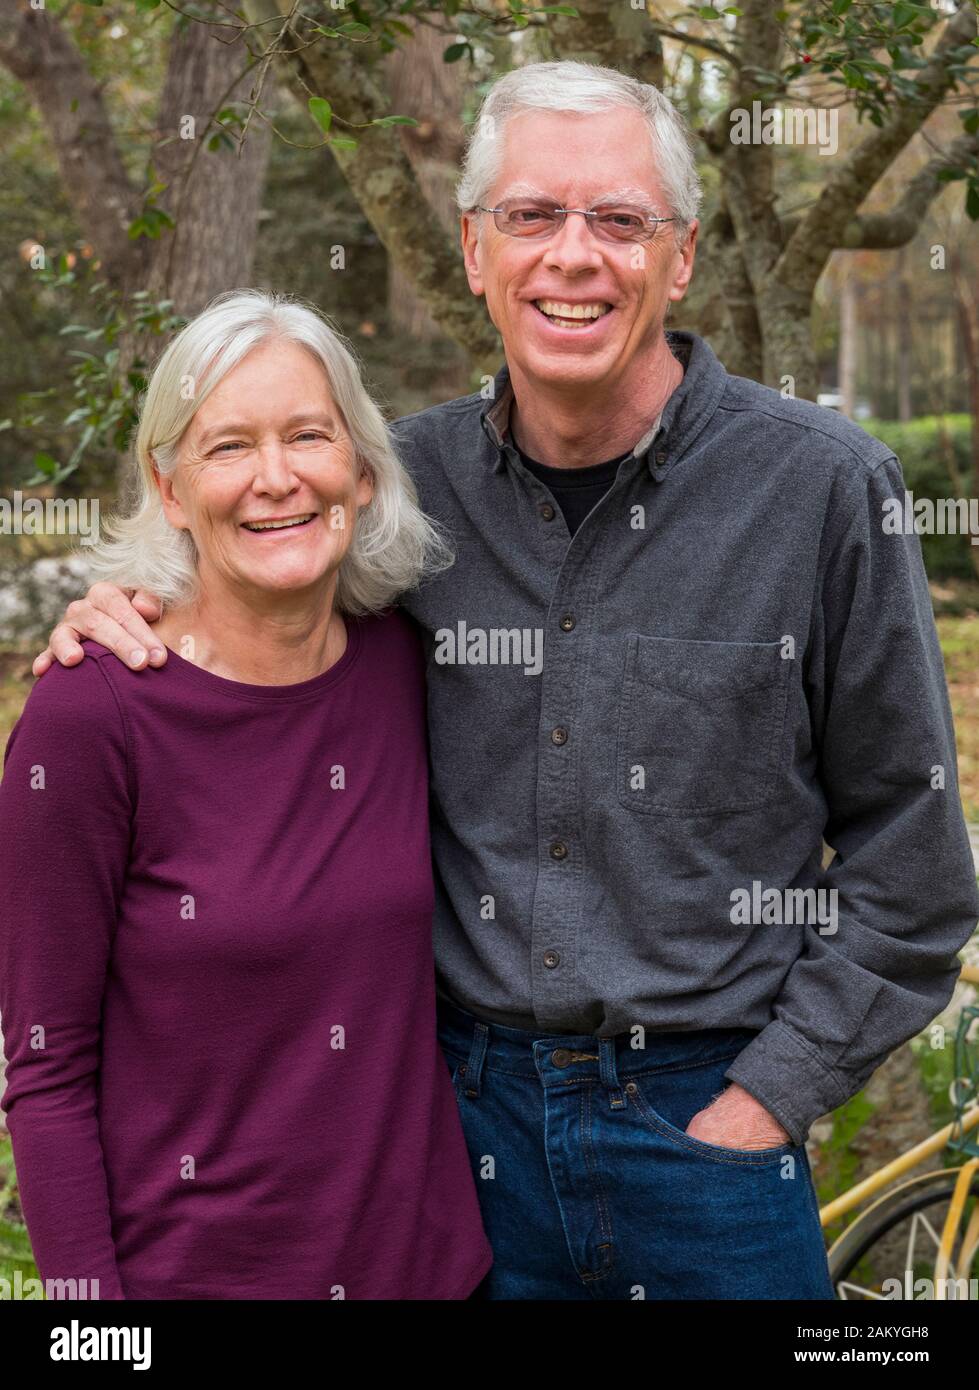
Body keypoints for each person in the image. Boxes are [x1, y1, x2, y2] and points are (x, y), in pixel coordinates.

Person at [33, 62, 979, 1300]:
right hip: (456, 1156)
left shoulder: (820, 490)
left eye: (619, 220)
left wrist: (764, 1103)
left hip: (708, 1139)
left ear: (680, 256)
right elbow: (258, 599)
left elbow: (913, 878)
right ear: (476, 249)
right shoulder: (394, 493)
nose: (571, 256)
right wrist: (124, 611)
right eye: (531, 216)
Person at [0, 290, 493, 1300]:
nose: (276, 479)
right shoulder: (92, 716)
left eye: (308, 435)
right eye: (228, 447)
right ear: (170, 488)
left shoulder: (408, 665)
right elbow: (45, 1072)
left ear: (358, 468)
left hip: (430, 1275)